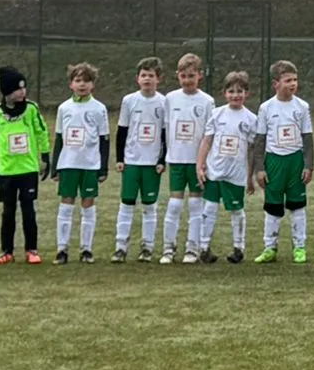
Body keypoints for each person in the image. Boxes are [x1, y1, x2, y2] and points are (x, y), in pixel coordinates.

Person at [193, 71, 263, 263]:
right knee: (209, 209)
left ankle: (238, 248)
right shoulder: (217, 114)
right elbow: (206, 141)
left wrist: (249, 177)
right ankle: (204, 248)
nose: (235, 95)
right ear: (224, 93)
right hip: (215, 172)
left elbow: (251, 151)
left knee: (236, 211)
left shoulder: (251, 119)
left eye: (240, 91)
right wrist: (200, 166)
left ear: (246, 94)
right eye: (231, 91)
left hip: (236, 174)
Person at [0, 66, 49, 265]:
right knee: (8, 211)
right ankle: (7, 251)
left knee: (29, 210)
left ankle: (32, 250)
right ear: (6, 91)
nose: (22, 92)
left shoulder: (31, 109)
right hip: (7, 171)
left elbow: (41, 131)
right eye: (17, 89)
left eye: (24, 88)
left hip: (28, 169)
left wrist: (46, 157)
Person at [51, 62, 110, 264]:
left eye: (86, 81)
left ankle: (86, 249)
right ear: (71, 84)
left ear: (93, 85)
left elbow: (104, 140)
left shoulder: (99, 109)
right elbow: (58, 139)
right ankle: (62, 249)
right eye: (78, 80)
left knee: (88, 205)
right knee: (66, 205)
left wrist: (103, 168)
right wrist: (55, 167)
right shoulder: (64, 108)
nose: (82, 84)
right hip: (68, 164)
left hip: (90, 165)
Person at [256, 60, 314, 264]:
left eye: (295, 80)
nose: (293, 84)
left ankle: (299, 247)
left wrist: (308, 165)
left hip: (295, 161)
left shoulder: (302, 107)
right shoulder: (265, 108)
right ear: (276, 84)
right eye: (288, 80)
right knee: (272, 206)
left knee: (297, 206)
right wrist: (260, 168)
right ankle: (269, 247)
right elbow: (260, 139)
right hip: (274, 162)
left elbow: (307, 139)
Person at [113, 56, 170, 262]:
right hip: (131, 161)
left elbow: (165, 134)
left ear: (159, 79)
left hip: (152, 163)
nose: (147, 79)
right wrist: (120, 158)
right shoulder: (129, 101)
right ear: (137, 78)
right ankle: (120, 247)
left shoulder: (164, 102)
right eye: (144, 75)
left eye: (151, 76)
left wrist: (162, 160)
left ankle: (147, 248)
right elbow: (121, 131)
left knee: (149, 206)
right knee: (126, 203)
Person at [161, 52, 215, 264]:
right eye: (183, 76)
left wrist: (204, 162)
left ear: (199, 76)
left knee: (195, 205)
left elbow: (210, 134)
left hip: (196, 163)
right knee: (174, 205)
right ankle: (168, 248)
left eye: (191, 76)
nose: (187, 80)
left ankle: (192, 248)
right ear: (178, 76)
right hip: (175, 160)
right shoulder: (170, 99)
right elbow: (166, 129)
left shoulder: (207, 101)